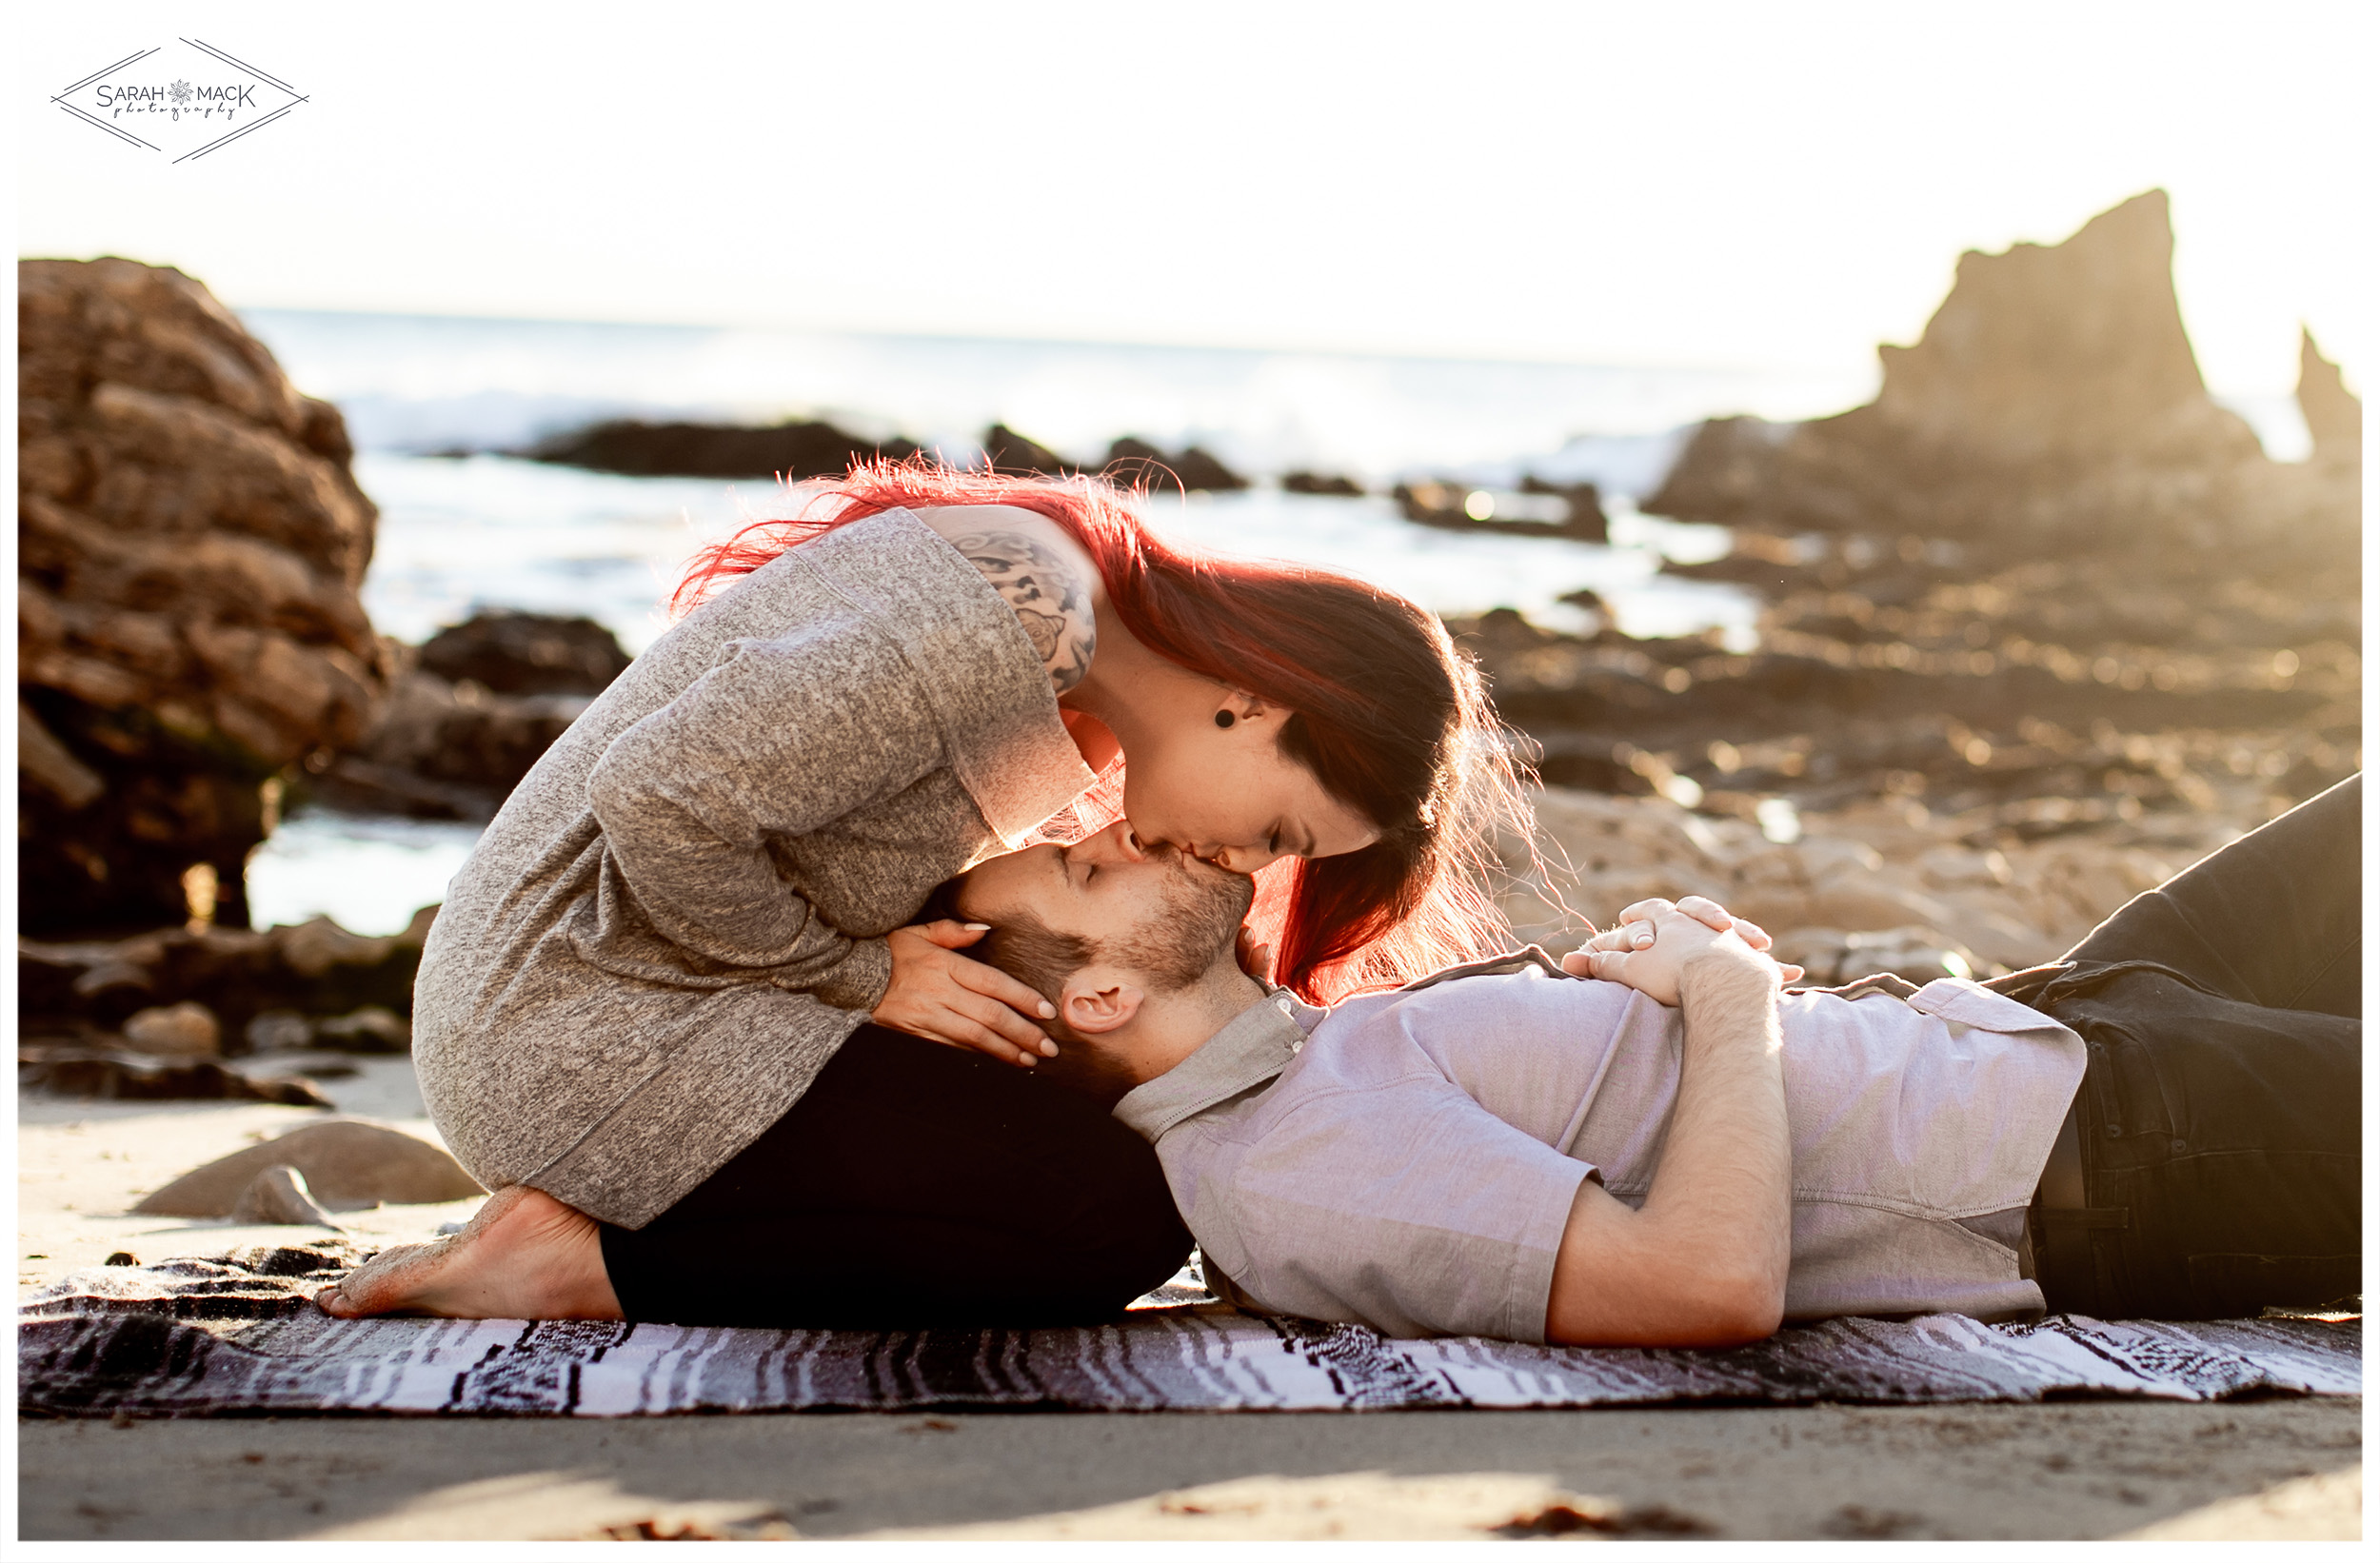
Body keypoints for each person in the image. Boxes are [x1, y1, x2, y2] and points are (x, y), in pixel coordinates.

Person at [319, 461, 1525, 1326]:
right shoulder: (1025, 612)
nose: (1243, 868)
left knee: (1099, 1152)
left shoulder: (1075, 669)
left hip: (662, 1003)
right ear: (1263, 704)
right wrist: (857, 973)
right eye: (1275, 830)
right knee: (1112, 1216)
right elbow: (661, 799)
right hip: (572, 1027)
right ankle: (573, 1271)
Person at [939, 775, 2361, 1343]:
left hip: (2055, 1015)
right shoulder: (1288, 1170)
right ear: (1102, 993)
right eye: (1078, 867)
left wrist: (1678, 969)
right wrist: (1729, 995)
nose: (1117, 830)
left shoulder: (1307, 1065)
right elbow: (1707, 1283)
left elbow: (1645, 1098)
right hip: (2112, 1150)